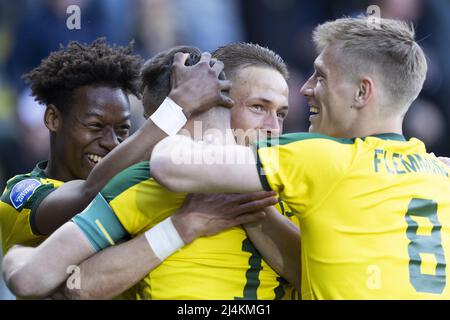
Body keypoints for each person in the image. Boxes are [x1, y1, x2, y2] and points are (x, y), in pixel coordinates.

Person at [149, 17, 450, 299]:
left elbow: (168, 166)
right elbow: (308, 270)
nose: (305, 90)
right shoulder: (440, 174)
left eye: (320, 76)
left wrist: (201, 117)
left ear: (361, 92)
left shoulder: (322, 156)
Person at [2, 44, 299, 300]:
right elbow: (88, 193)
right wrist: (178, 106)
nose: (112, 143)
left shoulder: (294, 182)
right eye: (94, 126)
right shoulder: (24, 192)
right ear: (53, 119)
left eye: (123, 132)